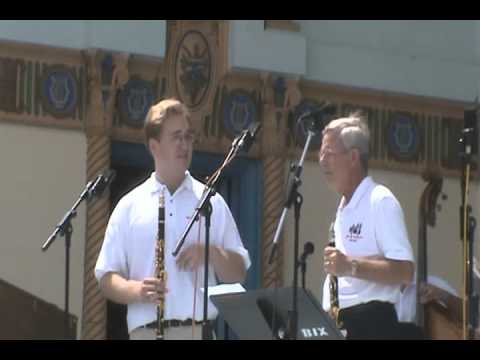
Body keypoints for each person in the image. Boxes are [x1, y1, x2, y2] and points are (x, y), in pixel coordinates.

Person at [95, 98, 251, 340]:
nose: (184, 144)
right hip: (145, 333)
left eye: (188, 137)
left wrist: (212, 253)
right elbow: (106, 278)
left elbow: (239, 273)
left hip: (198, 331)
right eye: (176, 137)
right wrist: (135, 290)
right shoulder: (130, 205)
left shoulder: (211, 201)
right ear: (154, 145)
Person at [319, 112, 415, 340]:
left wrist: (350, 266)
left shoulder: (379, 200)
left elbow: (405, 271)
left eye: (329, 152)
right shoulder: (345, 206)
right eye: (321, 152)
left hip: (373, 325)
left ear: (353, 157)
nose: (322, 159)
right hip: (343, 325)